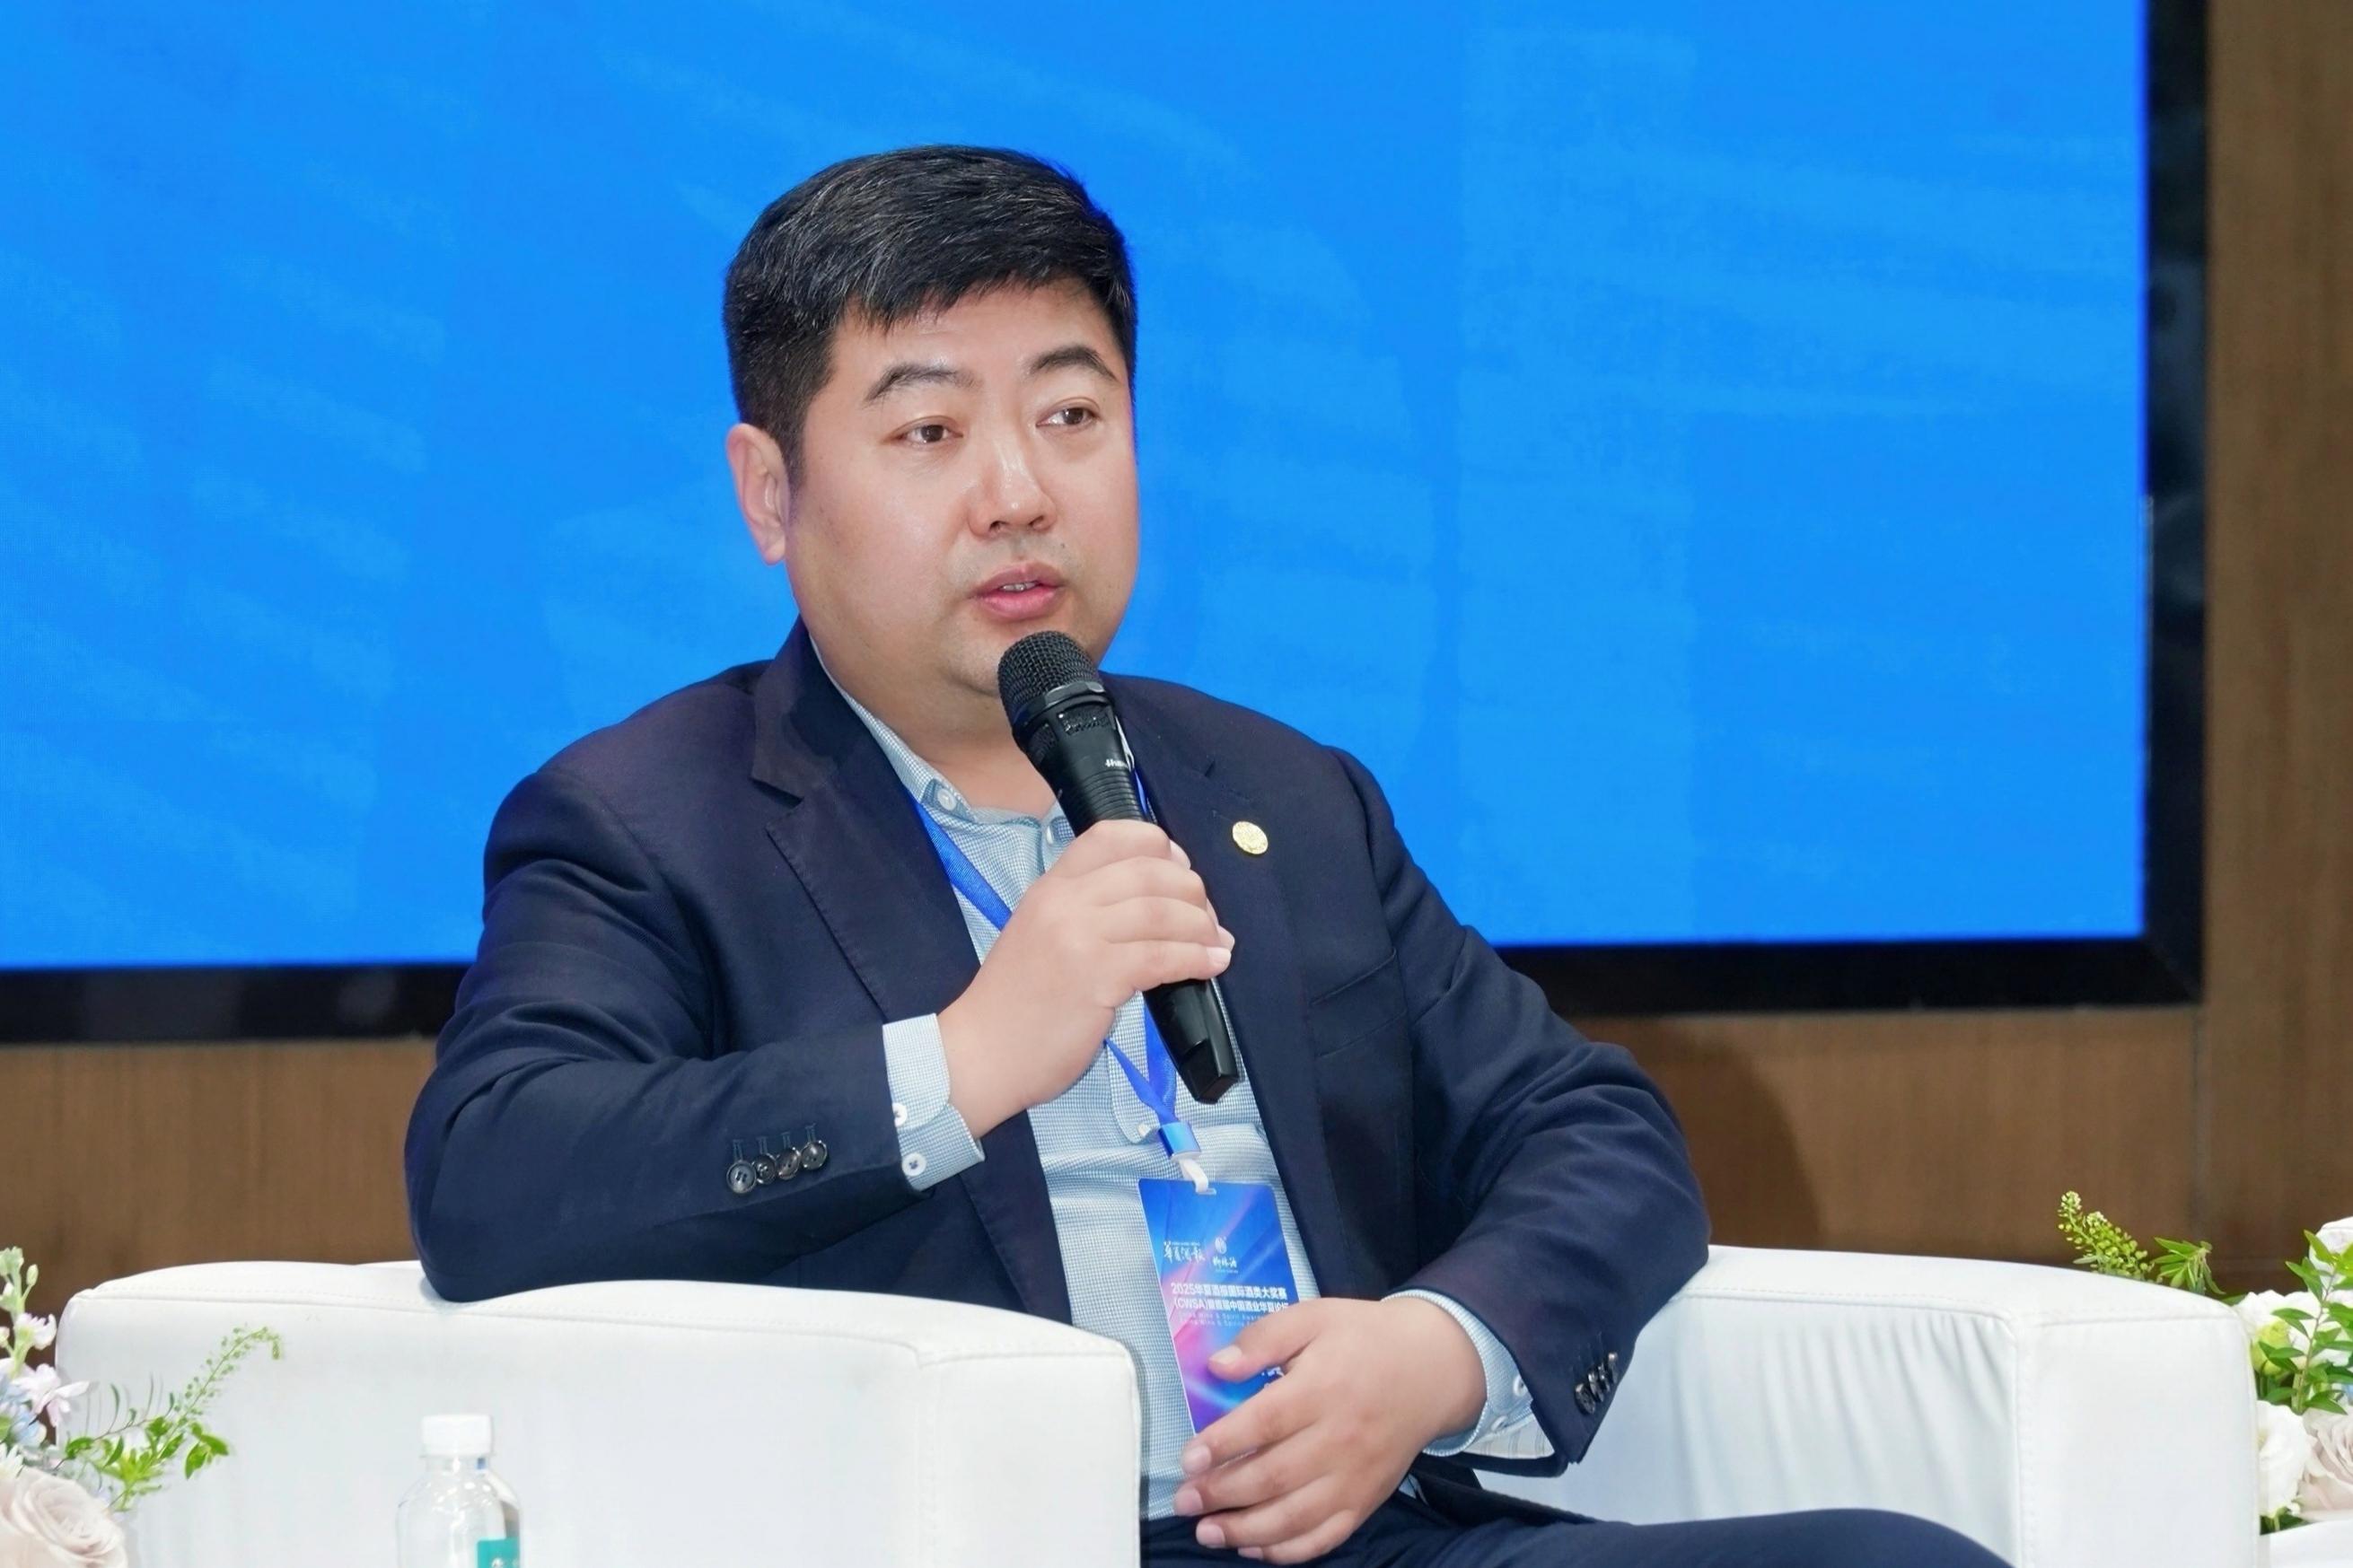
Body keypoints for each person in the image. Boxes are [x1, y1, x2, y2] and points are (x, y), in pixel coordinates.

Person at [404, 145, 2005, 1568]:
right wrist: (963, 1059)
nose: (1018, 494)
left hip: (1358, 1538)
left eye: (1072, 416)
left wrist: (1434, 1353)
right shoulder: (649, 819)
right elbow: (495, 1175)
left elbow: (1590, 1130)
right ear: (771, 494)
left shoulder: (1278, 795)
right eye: (931, 430)